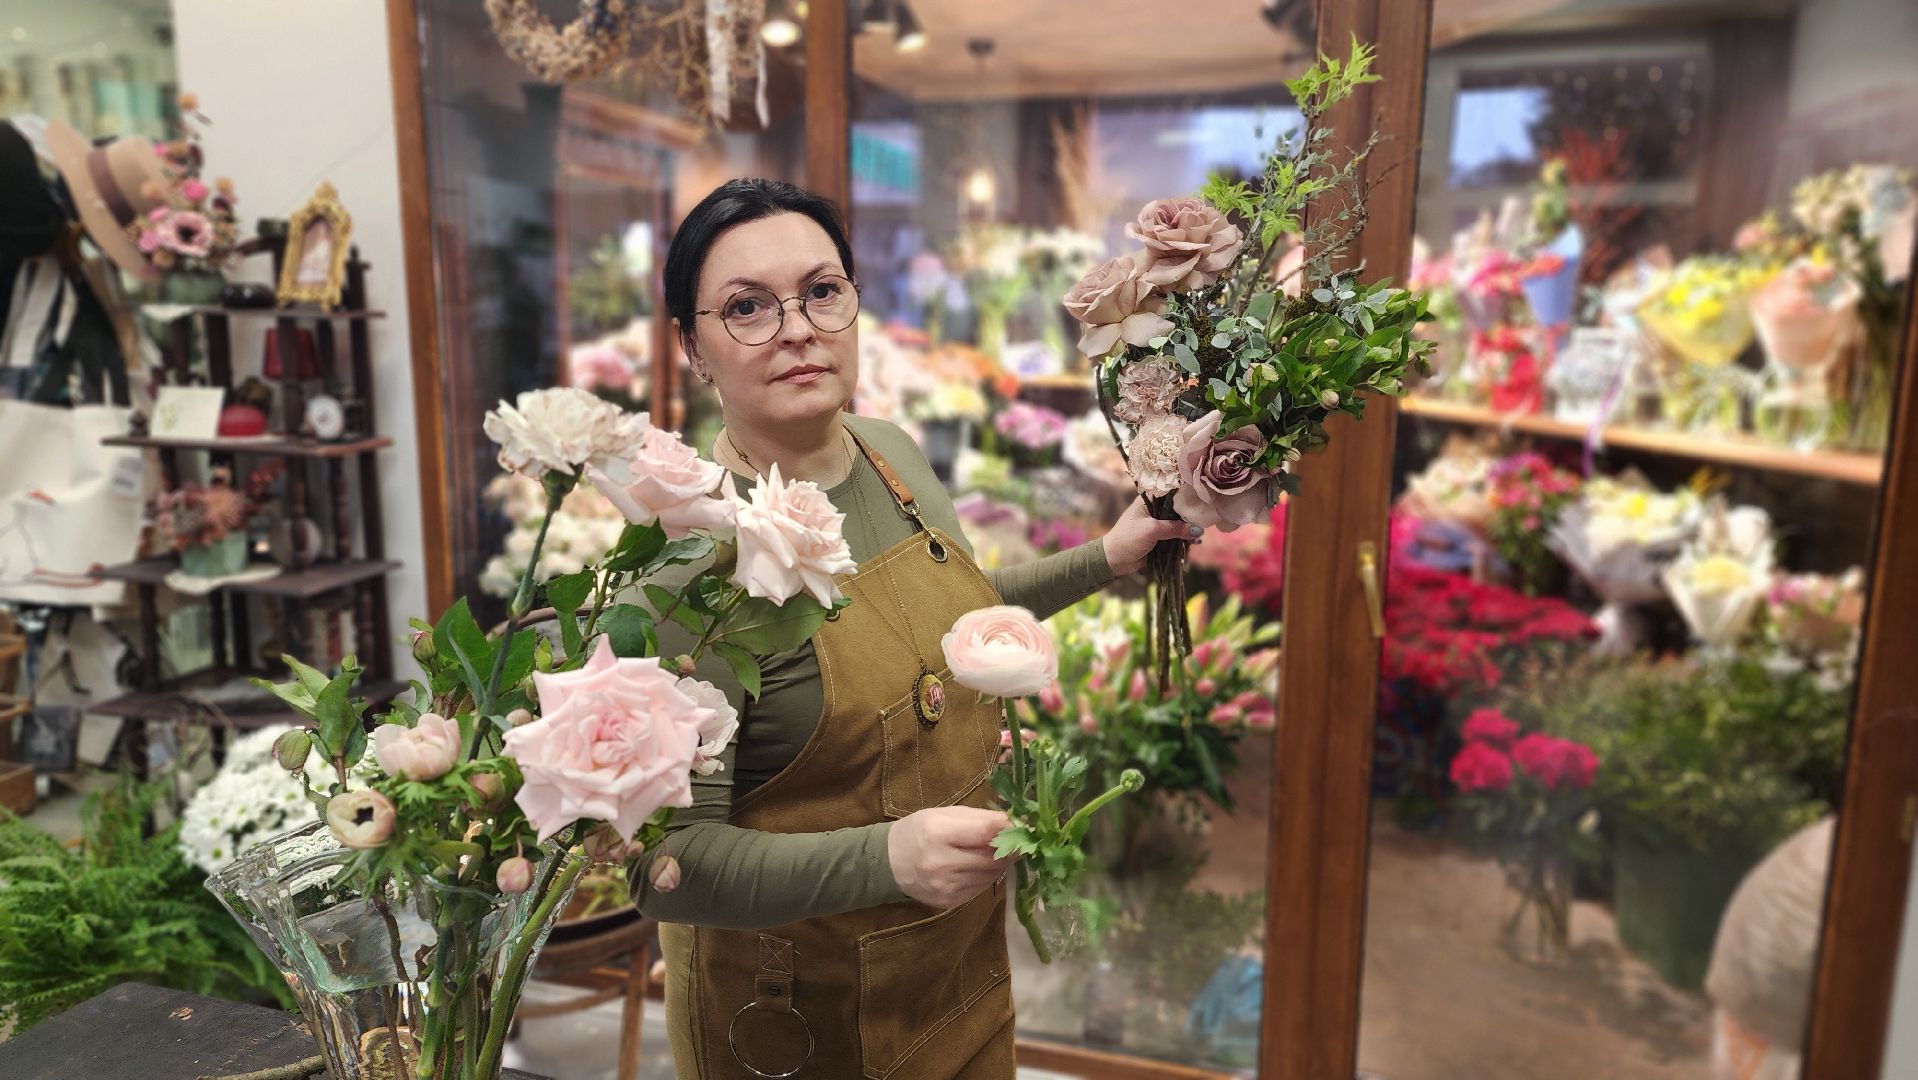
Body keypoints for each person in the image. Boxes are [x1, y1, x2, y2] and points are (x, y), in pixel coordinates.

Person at [627, 178, 1195, 1079]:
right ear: (691, 348)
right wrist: (886, 858)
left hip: (954, 974)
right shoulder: (686, 563)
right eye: (747, 307)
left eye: (822, 291)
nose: (798, 328)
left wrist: (1106, 557)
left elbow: (950, 619)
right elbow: (668, 863)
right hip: (796, 1023)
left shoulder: (887, 453)